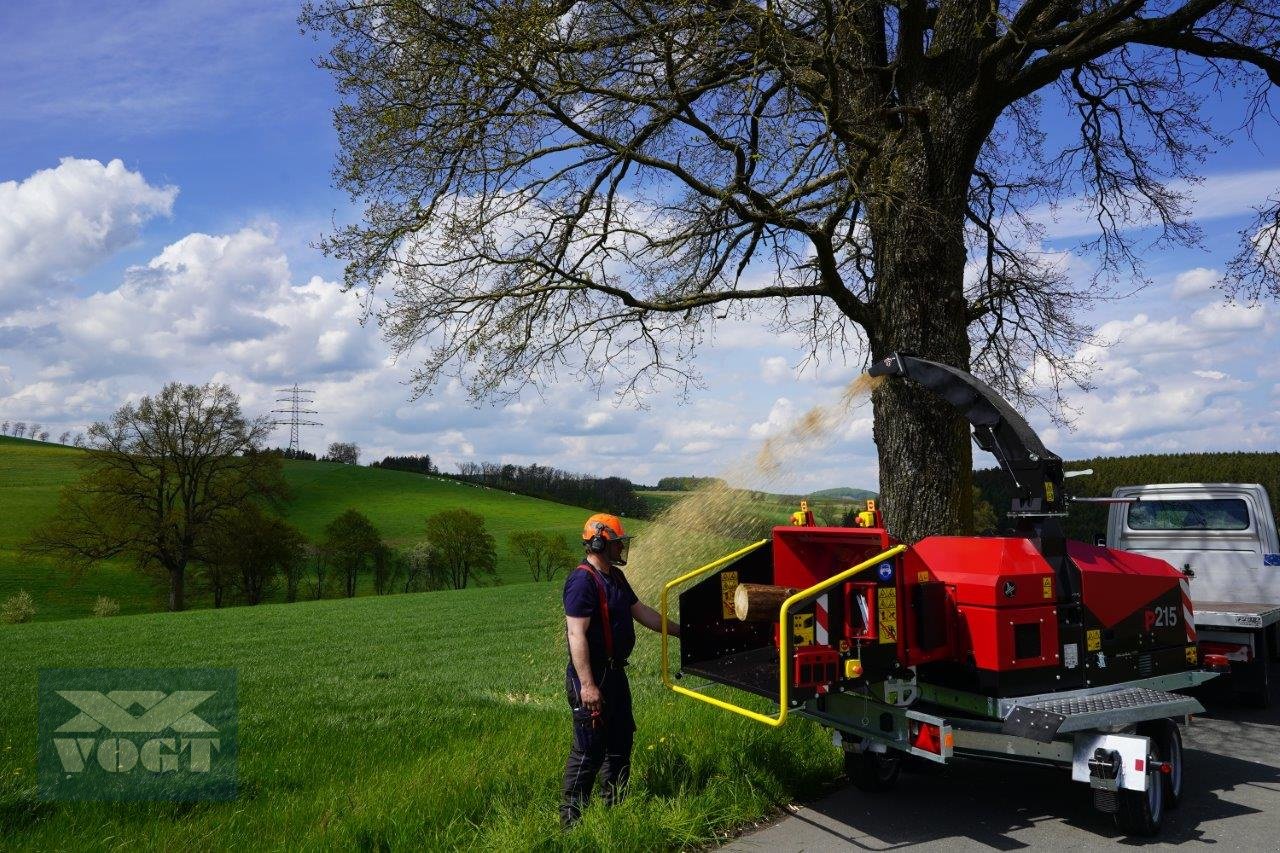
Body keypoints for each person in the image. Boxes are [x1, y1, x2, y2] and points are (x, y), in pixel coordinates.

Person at [560, 512, 679, 829]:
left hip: (614, 674)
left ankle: (615, 812)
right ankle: (572, 825)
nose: (621, 548)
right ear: (599, 542)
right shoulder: (582, 581)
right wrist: (587, 685)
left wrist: (682, 631)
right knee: (588, 751)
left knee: (621, 742)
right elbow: (576, 635)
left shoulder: (615, 577)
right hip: (592, 676)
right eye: (616, 543)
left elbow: (643, 614)